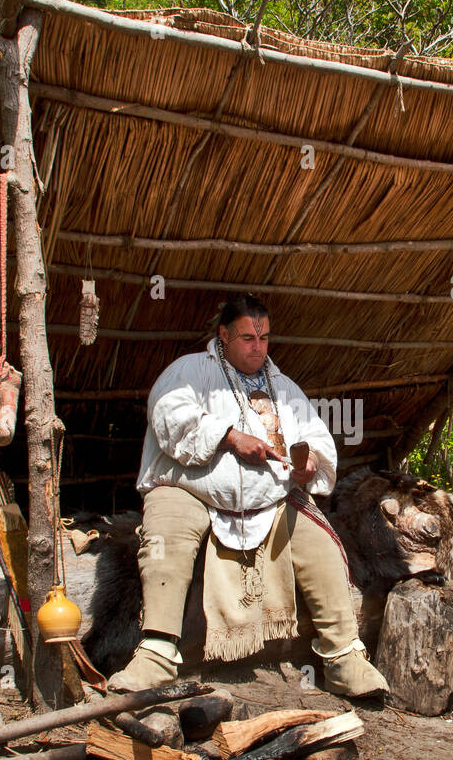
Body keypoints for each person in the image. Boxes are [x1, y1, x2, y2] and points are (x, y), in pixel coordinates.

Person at [107, 293, 389, 699]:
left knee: (322, 544)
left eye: (264, 338)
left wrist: (309, 464)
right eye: (247, 338)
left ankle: (343, 658)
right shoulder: (188, 371)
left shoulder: (284, 388)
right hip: (189, 489)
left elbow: (316, 437)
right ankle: (156, 655)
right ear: (223, 335)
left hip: (270, 500)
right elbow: (168, 415)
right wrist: (230, 437)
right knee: (165, 538)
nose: (258, 347)